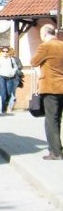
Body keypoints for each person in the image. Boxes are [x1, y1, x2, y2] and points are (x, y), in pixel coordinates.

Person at [31, 23, 63, 160]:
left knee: (51, 120)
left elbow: (33, 61)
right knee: (59, 119)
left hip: (51, 88)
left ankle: (55, 152)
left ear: (44, 34)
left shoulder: (45, 46)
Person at [0, 46, 20, 114]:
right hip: (1, 77)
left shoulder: (11, 59)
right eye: (4, 51)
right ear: (1, 52)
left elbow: (16, 67)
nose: (5, 53)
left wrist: (13, 72)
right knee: (3, 93)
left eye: (6, 51)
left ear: (8, 52)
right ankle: (2, 109)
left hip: (10, 78)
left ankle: (6, 106)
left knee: (9, 93)